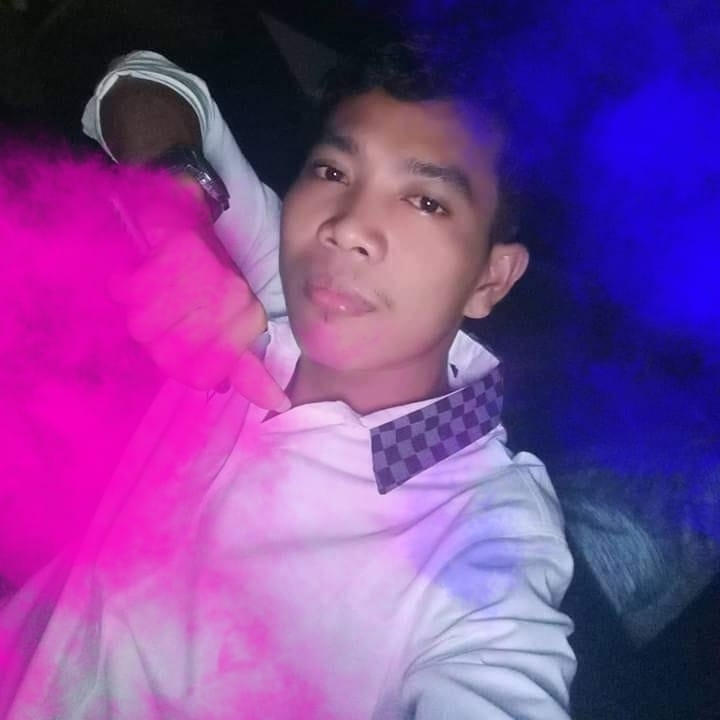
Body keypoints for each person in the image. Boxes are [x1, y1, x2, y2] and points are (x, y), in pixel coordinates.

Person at [1, 44, 575, 719]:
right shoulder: (274, 289)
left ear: (491, 278)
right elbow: (140, 83)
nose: (349, 226)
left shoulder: (486, 540)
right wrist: (174, 215)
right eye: (333, 170)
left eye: (426, 201)